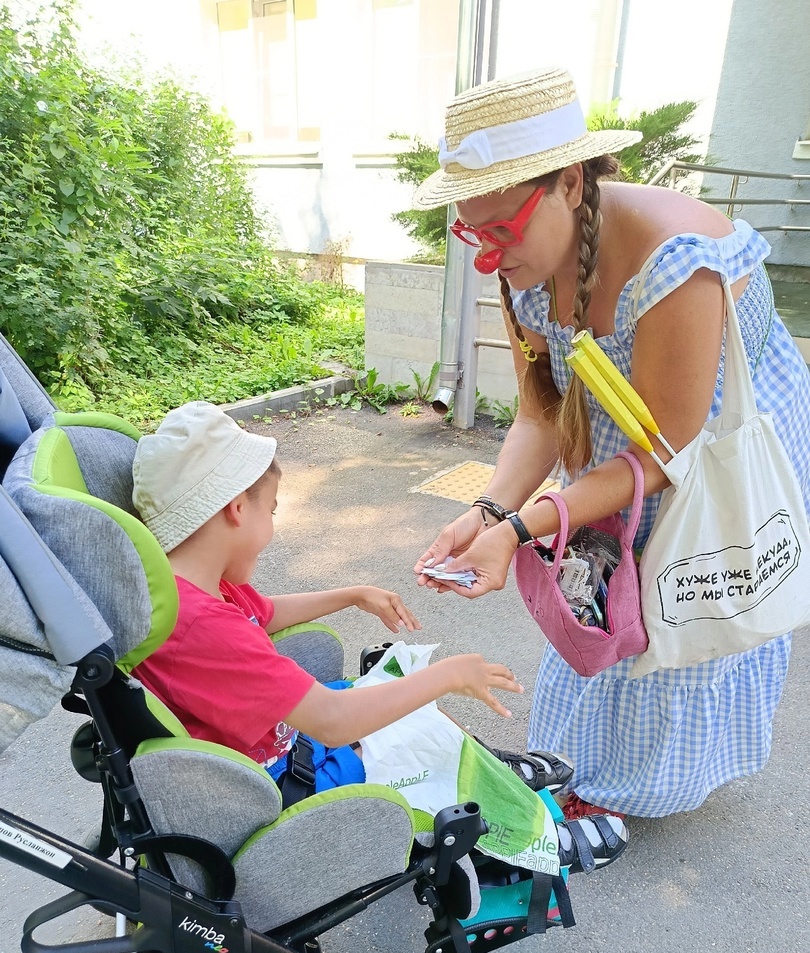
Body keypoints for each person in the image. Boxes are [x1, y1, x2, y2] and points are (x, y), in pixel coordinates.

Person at [412, 67, 810, 821]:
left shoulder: (674, 258)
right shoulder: (528, 266)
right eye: (472, 231)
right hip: (641, 435)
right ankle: (589, 765)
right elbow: (539, 415)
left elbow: (664, 453)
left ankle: (647, 786)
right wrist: (494, 512)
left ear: (568, 181)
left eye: (500, 231)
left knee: (680, 587)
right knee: (605, 579)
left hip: (719, 441)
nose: (487, 256)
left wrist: (531, 525)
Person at [129, 401, 627, 877]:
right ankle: (532, 842)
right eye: (272, 511)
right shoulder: (205, 627)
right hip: (289, 777)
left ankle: (483, 767)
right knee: (419, 728)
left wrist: (352, 594)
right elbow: (333, 722)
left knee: (409, 708)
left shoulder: (184, 591)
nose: (273, 525)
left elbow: (265, 613)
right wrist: (448, 675)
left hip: (275, 746)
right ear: (238, 508)